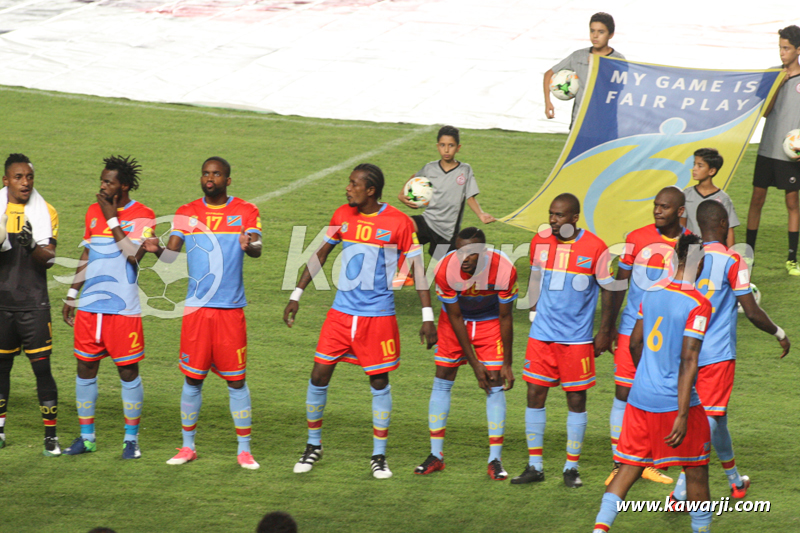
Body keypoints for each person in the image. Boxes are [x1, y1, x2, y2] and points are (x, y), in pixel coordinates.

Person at [285, 163, 437, 479]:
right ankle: (313, 446)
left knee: (379, 382)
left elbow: (418, 270)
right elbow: (321, 254)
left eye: (354, 184)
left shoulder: (399, 223)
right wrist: (296, 294)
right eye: (349, 183)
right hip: (340, 315)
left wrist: (427, 316)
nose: (348, 188)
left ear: (370, 190)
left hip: (377, 317)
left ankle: (379, 456)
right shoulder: (342, 215)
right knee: (318, 376)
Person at [144, 156, 262, 469]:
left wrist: (249, 245)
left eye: (216, 174)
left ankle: (244, 450)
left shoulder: (246, 212)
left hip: (229, 310)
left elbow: (258, 247)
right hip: (196, 310)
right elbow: (170, 257)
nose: (210, 178)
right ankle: (187, 447)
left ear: (228, 180)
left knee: (236, 381)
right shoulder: (186, 213)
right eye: (206, 173)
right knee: (192, 379)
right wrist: (155, 249)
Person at [669, 200, 790, 505]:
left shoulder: (687, 257)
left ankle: (736, 481)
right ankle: (680, 492)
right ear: (723, 225)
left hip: (685, 352)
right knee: (705, 421)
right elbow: (751, 311)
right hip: (716, 355)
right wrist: (779, 333)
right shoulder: (732, 260)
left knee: (717, 419)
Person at [592, 233, 713, 533]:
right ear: (700, 266)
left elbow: (634, 343)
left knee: (628, 468)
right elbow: (688, 360)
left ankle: (598, 529)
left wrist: (647, 374)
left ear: (675, 258)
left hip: (639, 398)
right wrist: (683, 414)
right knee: (696, 471)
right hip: (673, 402)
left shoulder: (653, 292)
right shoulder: (698, 304)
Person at [511, 193, 613, 488]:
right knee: (534, 395)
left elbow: (610, 290)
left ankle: (571, 468)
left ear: (575, 218)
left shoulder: (596, 248)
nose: (553, 220)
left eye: (559, 215)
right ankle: (535, 466)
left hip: (576, 339)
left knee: (576, 399)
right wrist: (532, 308)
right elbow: (535, 275)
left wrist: (605, 331)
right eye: (551, 214)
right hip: (542, 336)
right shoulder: (540, 241)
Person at [61, 156, 155, 460]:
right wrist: (72, 292)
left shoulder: (144, 215)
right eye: (101, 181)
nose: (102, 186)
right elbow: (88, 253)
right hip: (90, 308)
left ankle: (131, 440)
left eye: (108, 182)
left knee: (127, 372)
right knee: (85, 368)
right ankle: (87, 437)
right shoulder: (92, 212)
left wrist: (112, 218)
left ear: (124, 185)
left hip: (122, 310)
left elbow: (133, 256)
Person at [414, 227, 517, 480]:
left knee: (494, 382)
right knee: (443, 377)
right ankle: (436, 456)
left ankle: (495, 460)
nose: (465, 258)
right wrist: (474, 364)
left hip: (490, 321)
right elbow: (456, 316)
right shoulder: (446, 269)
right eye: (460, 251)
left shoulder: (504, 269)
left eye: (471, 253)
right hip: (454, 323)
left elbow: (506, 316)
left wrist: (507, 362)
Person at [605, 187, 690, 486]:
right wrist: (608, 328)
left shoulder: (690, 242)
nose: (657, 211)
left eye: (664, 207)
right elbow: (619, 284)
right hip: (633, 328)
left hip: (670, 337)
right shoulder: (636, 238)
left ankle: (651, 462)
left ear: (679, 211)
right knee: (624, 393)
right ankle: (619, 462)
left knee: (662, 397)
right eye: (655, 206)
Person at [0, 153, 60, 456]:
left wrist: (31, 245)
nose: (26, 183)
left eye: (30, 177)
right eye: (19, 177)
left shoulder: (46, 210)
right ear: (6, 180)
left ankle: (51, 436)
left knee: (42, 369)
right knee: (1, 368)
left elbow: (48, 260)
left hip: (34, 305)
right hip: (1, 306)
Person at [746, 25, 800, 275]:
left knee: (792, 202)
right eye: (780, 47)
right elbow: (764, 111)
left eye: (787, 48)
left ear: (798, 50)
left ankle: (792, 260)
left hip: (791, 153)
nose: (782, 53)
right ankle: (748, 255)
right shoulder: (772, 74)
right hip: (767, 149)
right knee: (757, 199)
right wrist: (779, 83)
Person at [397, 126, 495, 261]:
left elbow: (470, 197)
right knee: (403, 227)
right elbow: (415, 177)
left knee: (445, 269)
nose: (446, 150)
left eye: (451, 145)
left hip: (447, 232)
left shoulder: (465, 170)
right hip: (427, 220)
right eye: (443, 145)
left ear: (458, 147)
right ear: (437, 146)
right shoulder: (430, 168)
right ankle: (408, 272)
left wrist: (481, 214)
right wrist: (401, 195)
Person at [543, 12, 625, 128]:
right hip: (579, 123)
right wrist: (548, 102)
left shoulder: (618, 60)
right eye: (592, 31)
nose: (595, 36)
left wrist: (598, 66)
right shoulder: (578, 56)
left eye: (601, 32)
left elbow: (620, 90)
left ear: (610, 34)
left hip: (605, 124)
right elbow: (548, 74)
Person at [681, 148, 739, 248]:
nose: (694, 168)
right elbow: (682, 226)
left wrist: (731, 254)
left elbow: (729, 230)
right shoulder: (687, 194)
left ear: (711, 171)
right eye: (694, 164)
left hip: (715, 251)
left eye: (700, 166)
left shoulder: (723, 199)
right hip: (691, 251)